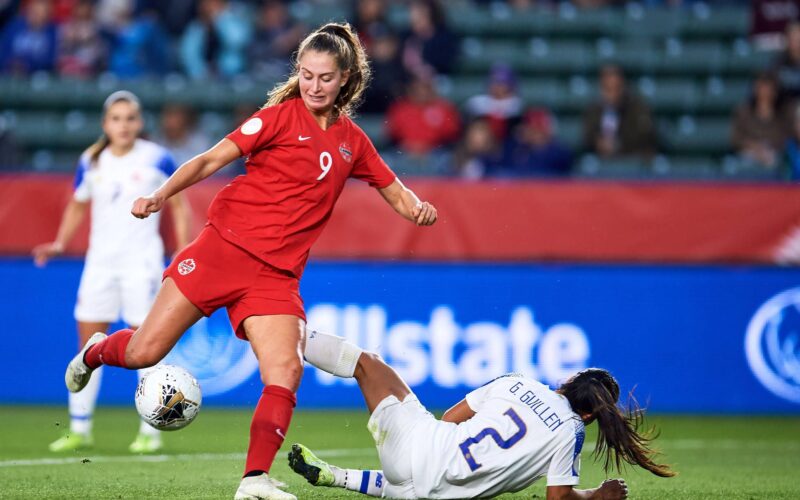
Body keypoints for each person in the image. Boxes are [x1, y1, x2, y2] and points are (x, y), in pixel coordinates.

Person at [63, 22, 437, 500]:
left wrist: (418, 210)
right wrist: (159, 196)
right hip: (222, 252)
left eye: (324, 77)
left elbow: (398, 194)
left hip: (275, 276)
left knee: (286, 370)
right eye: (305, 75)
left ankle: (254, 480)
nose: (313, 86)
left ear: (345, 77)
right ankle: (96, 350)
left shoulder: (353, 143)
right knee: (143, 353)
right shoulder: (277, 119)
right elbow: (206, 161)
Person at [289, 330, 675, 499]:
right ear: (593, 416)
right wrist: (595, 495)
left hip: (415, 450)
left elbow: (449, 419)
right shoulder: (572, 431)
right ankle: (338, 477)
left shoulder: (517, 381)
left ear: (567, 381)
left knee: (367, 362)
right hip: (435, 493)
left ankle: (289, 334)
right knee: (421, 487)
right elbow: (558, 497)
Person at [33, 91, 191, 454]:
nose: (123, 125)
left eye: (130, 118)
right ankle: (80, 428)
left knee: (147, 344)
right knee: (89, 344)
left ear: (139, 123)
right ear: (106, 124)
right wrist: (59, 242)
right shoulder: (91, 160)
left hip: (142, 263)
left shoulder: (157, 158)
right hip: (100, 264)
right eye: (116, 119)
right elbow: (77, 204)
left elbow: (179, 205)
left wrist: (183, 246)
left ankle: (151, 431)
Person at [582, 64, 657, 161]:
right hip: (600, 164)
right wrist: (598, 142)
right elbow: (587, 136)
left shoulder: (638, 109)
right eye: (607, 89)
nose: (612, 94)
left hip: (631, 162)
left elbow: (646, 137)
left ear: (623, 87)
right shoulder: (593, 110)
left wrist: (618, 145)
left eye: (616, 88)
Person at [732, 71, 791, 172]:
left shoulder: (782, 114)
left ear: (775, 91)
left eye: (768, 88)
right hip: (749, 154)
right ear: (755, 89)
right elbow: (736, 139)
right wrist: (755, 148)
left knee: (777, 161)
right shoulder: (744, 112)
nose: (764, 92)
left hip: (774, 154)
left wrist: (767, 150)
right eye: (761, 87)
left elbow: (785, 138)